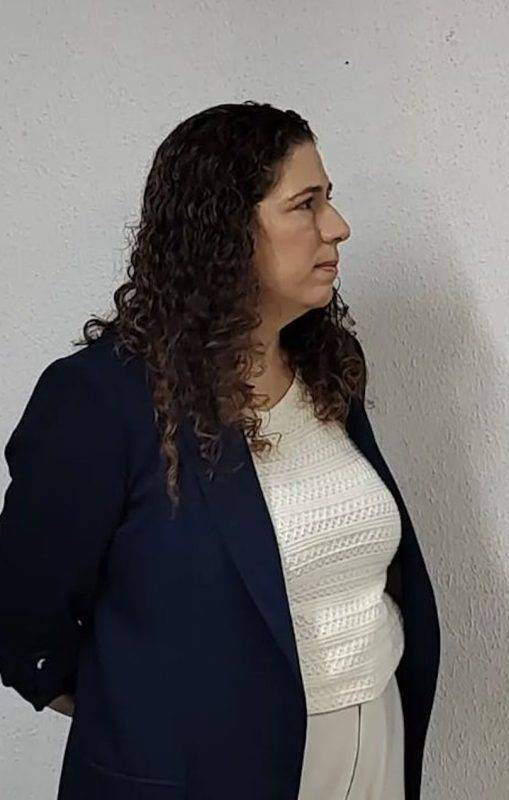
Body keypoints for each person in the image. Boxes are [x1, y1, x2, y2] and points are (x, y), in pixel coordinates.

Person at [0, 102, 440, 800]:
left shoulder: (326, 367)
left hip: (374, 739)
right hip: (209, 772)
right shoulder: (104, 399)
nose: (337, 226)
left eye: (329, 199)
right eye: (305, 204)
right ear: (225, 230)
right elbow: (23, 613)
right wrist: (142, 712)